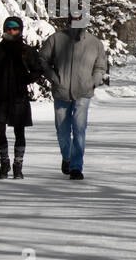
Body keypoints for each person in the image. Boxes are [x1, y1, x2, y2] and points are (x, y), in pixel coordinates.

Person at [40, 15, 108, 180]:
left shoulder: (94, 43)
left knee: (79, 130)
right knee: (62, 130)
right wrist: (54, 78)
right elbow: (43, 59)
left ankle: (76, 167)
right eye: (73, 20)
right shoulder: (56, 39)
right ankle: (67, 157)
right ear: (68, 21)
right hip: (61, 92)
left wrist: (93, 81)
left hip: (83, 93)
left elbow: (100, 65)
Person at [0, 17, 47, 179]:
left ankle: (18, 165)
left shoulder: (27, 51)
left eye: (15, 28)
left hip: (19, 95)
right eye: (8, 28)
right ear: (4, 29)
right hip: (0, 95)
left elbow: (38, 69)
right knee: (0, 130)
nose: (11, 31)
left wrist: (27, 79)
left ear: (20, 30)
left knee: (19, 131)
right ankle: (4, 163)